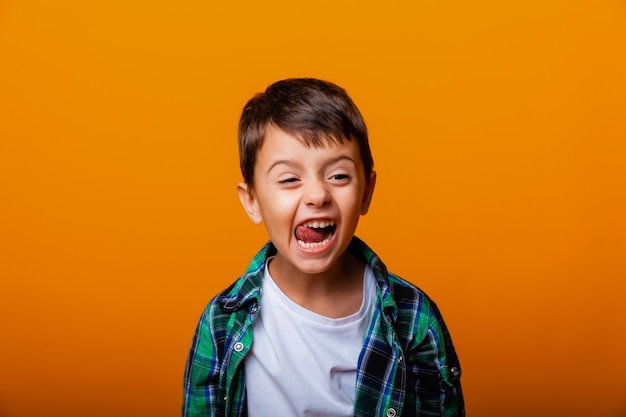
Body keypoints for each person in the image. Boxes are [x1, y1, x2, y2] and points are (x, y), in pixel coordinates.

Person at [182, 78, 464, 417]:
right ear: (252, 200)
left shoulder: (414, 320)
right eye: (289, 179)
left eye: (339, 176)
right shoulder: (220, 324)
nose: (317, 195)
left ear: (366, 191)